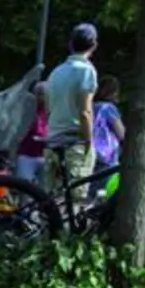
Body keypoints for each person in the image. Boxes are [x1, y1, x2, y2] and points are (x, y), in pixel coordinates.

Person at [43, 23, 100, 202]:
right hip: (74, 143)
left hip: (52, 140)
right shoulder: (87, 71)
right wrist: (89, 142)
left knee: (51, 200)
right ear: (94, 45)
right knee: (74, 200)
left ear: (70, 44)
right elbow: (85, 111)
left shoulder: (56, 72)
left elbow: (48, 108)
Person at [92, 75, 125, 170]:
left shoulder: (90, 106)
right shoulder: (108, 108)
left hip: (92, 153)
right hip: (107, 155)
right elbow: (121, 134)